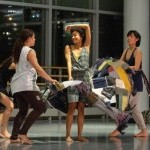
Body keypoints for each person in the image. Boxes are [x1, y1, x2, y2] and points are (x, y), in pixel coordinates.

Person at [10, 29, 58, 144]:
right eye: (34, 37)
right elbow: (38, 68)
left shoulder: (18, 50)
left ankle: (14, 137)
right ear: (28, 38)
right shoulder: (30, 51)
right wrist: (51, 80)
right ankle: (23, 133)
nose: (35, 39)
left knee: (22, 111)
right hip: (26, 85)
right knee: (41, 107)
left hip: (17, 86)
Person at [110, 30, 148, 137]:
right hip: (127, 82)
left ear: (137, 39)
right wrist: (112, 64)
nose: (128, 38)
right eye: (128, 36)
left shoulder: (138, 51)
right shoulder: (126, 51)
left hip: (135, 83)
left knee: (123, 105)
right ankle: (144, 131)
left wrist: (123, 66)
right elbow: (119, 63)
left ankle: (119, 128)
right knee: (134, 109)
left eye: (131, 36)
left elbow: (136, 67)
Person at [64, 23, 91, 142]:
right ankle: (68, 135)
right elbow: (69, 62)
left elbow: (87, 26)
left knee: (81, 107)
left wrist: (72, 26)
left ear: (81, 36)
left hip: (85, 80)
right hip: (74, 78)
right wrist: (69, 76)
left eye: (75, 35)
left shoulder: (87, 46)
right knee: (71, 106)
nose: (73, 37)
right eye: (72, 35)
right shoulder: (68, 48)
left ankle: (80, 135)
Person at [0, 57, 15, 138]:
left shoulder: (5, 64)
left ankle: (3, 131)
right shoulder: (13, 64)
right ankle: (4, 131)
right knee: (10, 106)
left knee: (3, 109)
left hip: (2, 86)